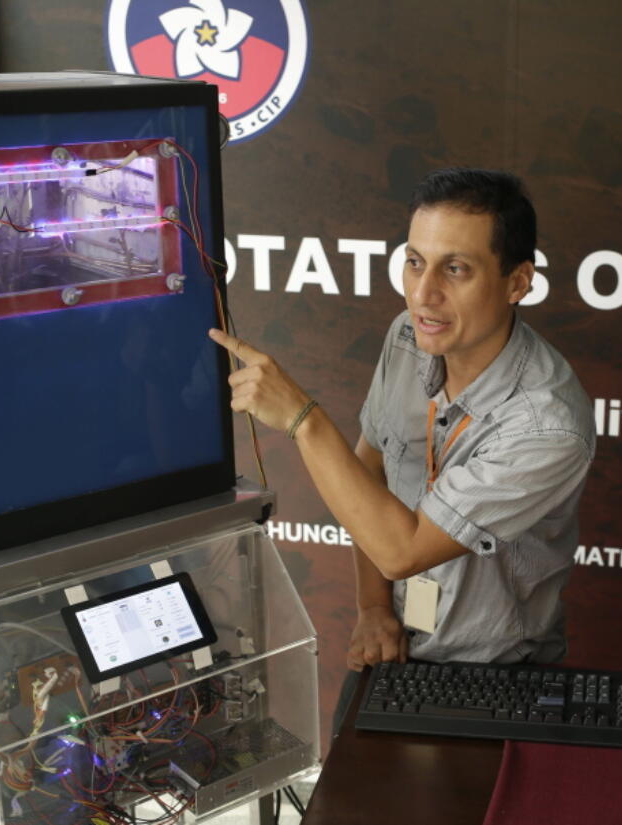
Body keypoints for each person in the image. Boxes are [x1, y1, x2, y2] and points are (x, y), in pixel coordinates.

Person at [209, 168, 594, 677]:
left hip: (496, 672)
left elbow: (402, 552)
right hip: (399, 646)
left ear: (517, 282)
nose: (423, 294)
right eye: (415, 262)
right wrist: (373, 608)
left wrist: (304, 419)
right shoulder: (410, 336)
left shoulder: (547, 427)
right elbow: (372, 467)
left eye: (455, 269)